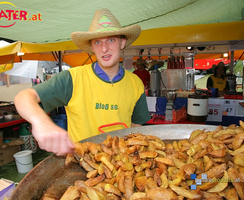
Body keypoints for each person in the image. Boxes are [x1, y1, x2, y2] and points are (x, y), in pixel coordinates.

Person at [14, 8, 150, 156]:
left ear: (122, 42)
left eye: (111, 40)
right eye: (98, 42)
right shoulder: (72, 79)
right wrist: (40, 121)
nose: (104, 48)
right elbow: (23, 97)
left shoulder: (135, 83)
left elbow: (136, 127)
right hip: (83, 164)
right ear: (91, 47)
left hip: (121, 163)